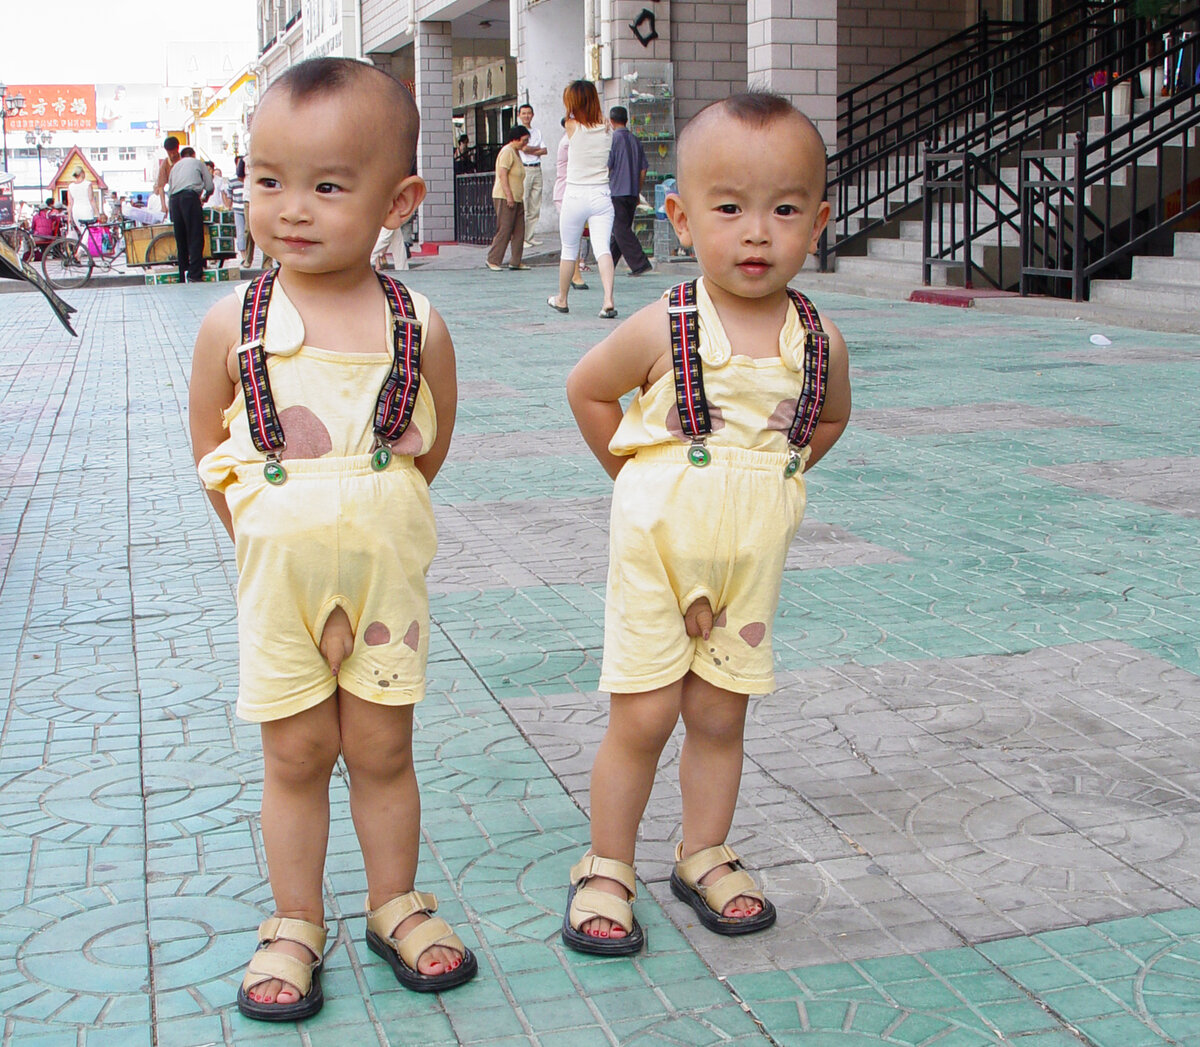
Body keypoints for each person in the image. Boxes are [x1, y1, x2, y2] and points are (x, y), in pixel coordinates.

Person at [189, 56, 474, 1022]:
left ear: (399, 201)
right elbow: (210, 446)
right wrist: (272, 525)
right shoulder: (233, 322)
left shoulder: (418, 323)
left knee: (384, 749)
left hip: (385, 580)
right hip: (281, 582)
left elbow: (423, 449)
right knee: (298, 753)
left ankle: (395, 901)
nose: (291, 209)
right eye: (268, 181)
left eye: (327, 186)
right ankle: (295, 918)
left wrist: (366, 513)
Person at [561, 92, 852, 955]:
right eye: (729, 209)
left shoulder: (818, 339)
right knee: (644, 718)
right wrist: (635, 473)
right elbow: (587, 388)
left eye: (784, 209)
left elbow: (829, 417)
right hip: (658, 555)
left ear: (818, 221)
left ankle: (703, 851)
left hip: (748, 564)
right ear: (682, 219)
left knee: (721, 716)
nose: (756, 232)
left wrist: (779, 473)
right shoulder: (666, 323)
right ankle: (607, 863)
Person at [549, 80, 616, 319]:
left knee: (569, 249)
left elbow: (570, 116)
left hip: (575, 194)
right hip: (601, 194)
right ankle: (608, 299)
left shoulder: (571, 125)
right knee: (602, 248)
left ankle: (562, 299)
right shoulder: (607, 126)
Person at [607, 106, 652, 276]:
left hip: (617, 190)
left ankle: (640, 263)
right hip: (632, 191)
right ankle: (608, 263)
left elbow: (608, 167)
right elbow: (643, 169)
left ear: (611, 121)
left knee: (620, 229)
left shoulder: (613, 140)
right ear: (626, 119)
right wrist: (638, 189)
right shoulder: (635, 140)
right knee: (622, 227)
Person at [485, 123, 531, 271]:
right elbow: (503, 174)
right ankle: (493, 259)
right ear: (515, 139)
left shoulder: (517, 152)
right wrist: (509, 195)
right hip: (505, 197)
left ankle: (516, 261)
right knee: (505, 229)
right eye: (524, 140)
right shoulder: (507, 152)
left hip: (518, 197)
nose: (526, 143)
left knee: (519, 230)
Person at [168, 146, 214, 283]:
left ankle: (182, 273)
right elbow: (210, 186)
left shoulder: (175, 167)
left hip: (174, 201)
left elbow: (169, 189)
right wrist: (205, 197)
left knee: (181, 238)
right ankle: (194, 274)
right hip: (189, 198)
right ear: (193, 155)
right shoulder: (198, 163)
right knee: (195, 236)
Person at [553, 117, 587, 292]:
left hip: (574, 192)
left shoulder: (572, 140)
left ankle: (575, 273)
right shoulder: (568, 142)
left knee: (576, 235)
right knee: (572, 237)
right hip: (566, 193)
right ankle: (574, 275)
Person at [517, 103, 547, 249]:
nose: (526, 116)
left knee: (535, 204)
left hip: (537, 169)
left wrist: (531, 150)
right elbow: (524, 148)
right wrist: (536, 150)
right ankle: (521, 238)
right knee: (525, 205)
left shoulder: (537, 132)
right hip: (525, 169)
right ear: (519, 115)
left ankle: (530, 236)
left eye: (529, 113)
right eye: (523, 113)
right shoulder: (518, 132)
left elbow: (545, 150)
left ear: (532, 115)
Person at [153, 136, 182, 214]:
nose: (172, 155)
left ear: (178, 148)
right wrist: (163, 206)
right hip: (174, 197)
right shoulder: (165, 163)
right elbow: (160, 186)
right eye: (169, 153)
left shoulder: (184, 159)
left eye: (174, 152)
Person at [66, 169, 98, 236]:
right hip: (86, 210)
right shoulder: (87, 184)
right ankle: (81, 247)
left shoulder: (70, 186)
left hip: (76, 211)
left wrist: (69, 216)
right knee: (87, 233)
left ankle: (82, 246)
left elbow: (70, 203)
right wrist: (97, 213)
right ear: (82, 173)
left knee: (83, 233)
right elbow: (91, 199)